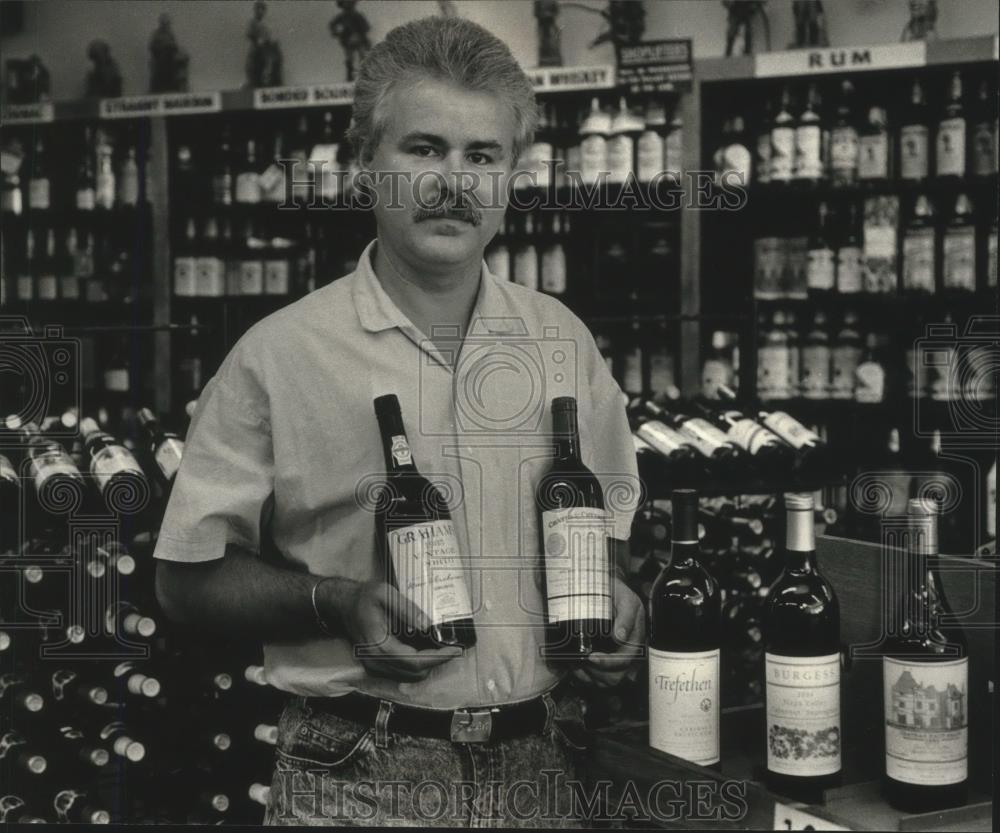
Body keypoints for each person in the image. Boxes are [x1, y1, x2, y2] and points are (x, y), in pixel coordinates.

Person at [154, 15, 644, 828]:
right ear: (366, 165)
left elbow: (606, 536)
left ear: (511, 177)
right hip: (355, 773)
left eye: (482, 156)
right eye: (424, 149)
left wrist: (619, 606)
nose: (455, 180)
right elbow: (184, 580)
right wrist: (337, 603)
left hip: (543, 766)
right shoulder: (277, 355)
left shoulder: (564, 341)